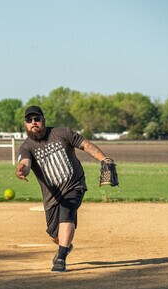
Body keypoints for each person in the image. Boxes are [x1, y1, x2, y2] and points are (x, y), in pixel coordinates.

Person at [15, 105, 115, 273]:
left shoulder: (62, 133)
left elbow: (86, 145)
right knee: (54, 234)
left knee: (66, 213)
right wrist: (21, 171)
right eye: (29, 120)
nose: (33, 123)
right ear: (25, 124)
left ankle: (60, 258)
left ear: (43, 120)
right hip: (51, 196)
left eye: (37, 119)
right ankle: (65, 246)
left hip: (74, 184)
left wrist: (104, 159)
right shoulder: (26, 147)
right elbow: (25, 163)